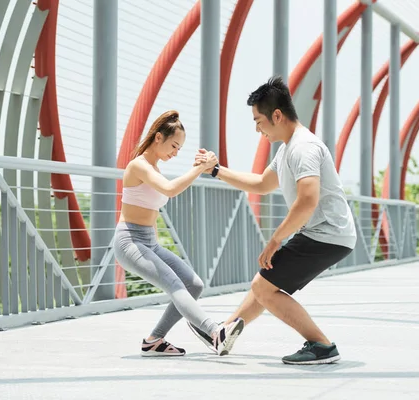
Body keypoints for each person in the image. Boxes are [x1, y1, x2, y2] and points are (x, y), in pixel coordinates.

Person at [187, 77, 357, 365]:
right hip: (322, 233)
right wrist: (215, 170)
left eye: (258, 120)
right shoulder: (287, 148)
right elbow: (261, 184)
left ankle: (322, 345)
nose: (257, 129)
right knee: (264, 284)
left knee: (264, 286)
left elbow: (307, 200)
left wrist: (275, 240)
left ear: (276, 115)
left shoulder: (304, 147)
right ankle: (224, 333)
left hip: (327, 234)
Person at [114, 110, 244, 357]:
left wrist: (201, 167)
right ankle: (216, 333)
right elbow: (171, 190)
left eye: (179, 149)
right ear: (158, 138)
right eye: (174, 146)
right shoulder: (138, 165)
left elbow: (163, 195)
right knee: (174, 283)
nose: (175, 152)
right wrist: (200, 168)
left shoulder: (154, 167)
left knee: (193, 284)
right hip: (129, 240)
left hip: (148, 242)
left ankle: (154, 340)